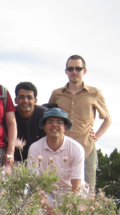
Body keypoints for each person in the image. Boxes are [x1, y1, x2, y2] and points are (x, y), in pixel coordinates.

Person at [48, 55, 111, 192]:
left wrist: (97, 136)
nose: (74, 72)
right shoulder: (57, 94)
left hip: (86, 149)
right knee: (58, 190)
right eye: (70, 68)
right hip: (61, 150)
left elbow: (107, 119)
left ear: (84, 71)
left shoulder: (94, 93)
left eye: (78, 68)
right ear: (66, 71)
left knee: (87, 192)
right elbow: (49, 117)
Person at [28, 108, 85, 201]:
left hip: (71, 192)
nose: (55, 124)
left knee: (77, 212)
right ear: (44, 127)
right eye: (50, 121)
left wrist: (65, 208)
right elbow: (33, 183)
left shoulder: (76, 149)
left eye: (59, 122)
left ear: (65, 127)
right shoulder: (35, 148)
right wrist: (49, 210)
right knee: (33, 209)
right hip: (45, 192)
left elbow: (76, 185)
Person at [14, 81, 46, 162]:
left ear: (35, 100)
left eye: (29, 97)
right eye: (21, 97)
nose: (25, 100)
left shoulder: (45, 115)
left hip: (39, 159)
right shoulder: (10, 114)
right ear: (16, 100)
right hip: (15, 161)